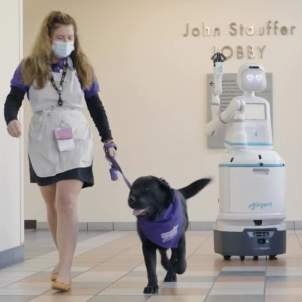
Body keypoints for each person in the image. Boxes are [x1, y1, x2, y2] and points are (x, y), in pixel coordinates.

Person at [4, 11, 116, 292]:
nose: (66, 42)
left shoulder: (81, 66)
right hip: (43, 140)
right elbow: (13, 99)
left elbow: (96, 107)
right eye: (60, 38)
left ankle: (66, 267)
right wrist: (11, 119)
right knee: (52, 204)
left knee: (67, 202)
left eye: (70, 37)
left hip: (75, 139)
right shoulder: (29, 66)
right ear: (47, 38)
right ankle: (62, 258)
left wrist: (108, 140)